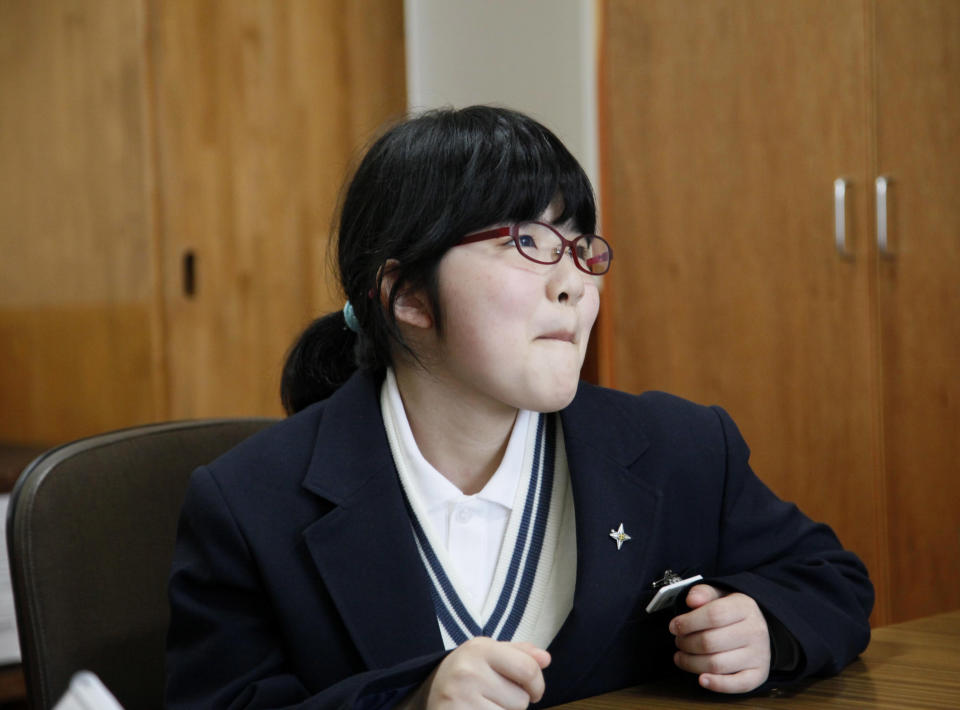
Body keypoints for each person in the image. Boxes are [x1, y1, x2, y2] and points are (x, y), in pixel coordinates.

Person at [165, 106, 873, 709]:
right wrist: (411, 700)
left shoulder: (680, 445)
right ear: (407, 294)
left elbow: (831, 581)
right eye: (527, 242)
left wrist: (765, 628)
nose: (574, 287)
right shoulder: (249, 502)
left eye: (582, 249)